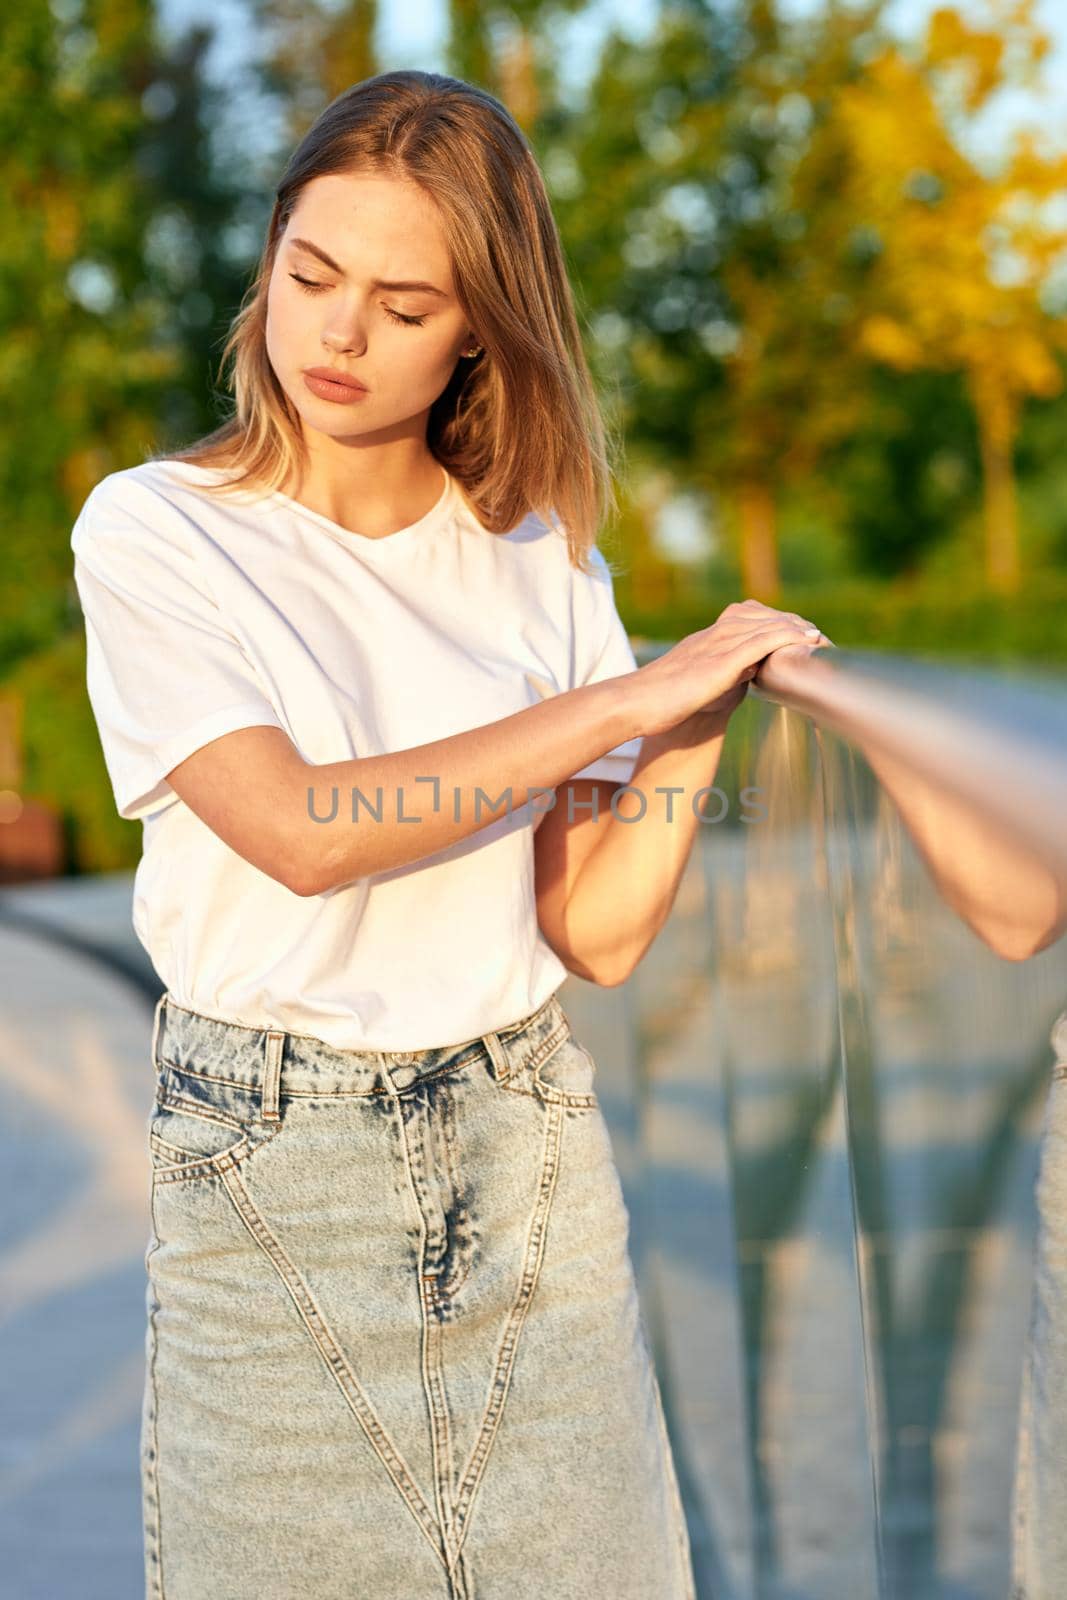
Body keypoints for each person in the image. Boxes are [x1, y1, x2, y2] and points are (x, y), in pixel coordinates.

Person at [70, 70, 826, 1600]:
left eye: (404, 304)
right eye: (312, 275)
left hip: (530, 1154)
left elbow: (597, 929)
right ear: (269, 257)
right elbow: (300, 829)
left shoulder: (539, 557)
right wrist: (613, 701)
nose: (339, 335)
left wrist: (689, 722)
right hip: (270, 1182)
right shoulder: (156, 530)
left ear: (481, 324)